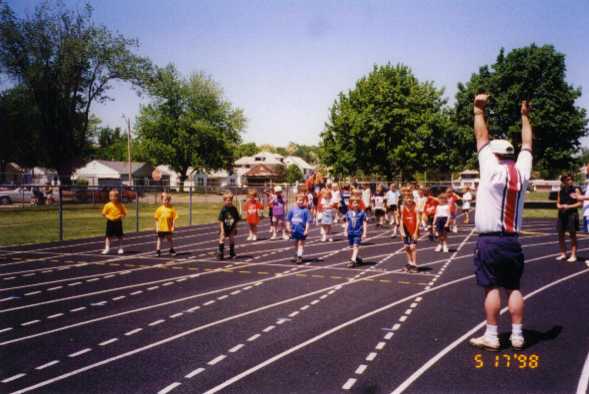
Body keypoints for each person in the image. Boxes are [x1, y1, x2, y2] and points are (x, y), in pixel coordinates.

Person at [468, 94, 533, 351]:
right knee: (514, 287)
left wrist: (478, 111)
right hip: (512, 240)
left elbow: (481, 137)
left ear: (493, 155)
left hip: (489, 240)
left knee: (490, 286)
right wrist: (525, 116)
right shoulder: (523, 171)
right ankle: (517, 335)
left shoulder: (490, 168)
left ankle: (493, 335)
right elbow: (527, 143)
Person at [556, 174, 581, 262]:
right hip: (561, 215)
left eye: (570, 179)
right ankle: (563, 254)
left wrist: (568, 206)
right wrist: (559, 206)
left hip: (572, 214)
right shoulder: (560, 191)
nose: (569, 181)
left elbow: (579, 203)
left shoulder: (575, 190)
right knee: (560, 234)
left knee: (572, 235)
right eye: (567, 179)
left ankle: (573, 255)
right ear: (563, 181)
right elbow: (558, 203)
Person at [286, 193, 311, 264]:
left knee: (301, 243)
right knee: (296, 243)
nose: (300, 202)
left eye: (302, 200)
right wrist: (288, 228)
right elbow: (288, 220)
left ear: (304, 201)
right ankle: (297, 254)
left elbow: (307, 222)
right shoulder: (292, 210)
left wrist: (306, 230)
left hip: (302, 231)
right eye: (299, 200)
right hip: (294, 230)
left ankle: (299, 256)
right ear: (296, 201)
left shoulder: (305, 211)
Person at [101, 189, 127, 255]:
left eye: (115, 196)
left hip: (118, 222)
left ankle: (120, 248)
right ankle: (107, 248)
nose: (113, 198)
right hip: (110, 222)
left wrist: (120, 216)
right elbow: (103, 214)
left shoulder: (120, 205)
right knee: (108, 236)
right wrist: (109, 217)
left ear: (117, 197)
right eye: (111, 196)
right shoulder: (107, 205)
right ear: (109, 197)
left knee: (120, 236)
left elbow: (124, 214)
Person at [345, 196, 368, 267]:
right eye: (354, 203)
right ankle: (357, 258)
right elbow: (347, 222)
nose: (356, 204)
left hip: (358, 232)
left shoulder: (362, 213)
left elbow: (364, 223)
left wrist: (364, 233)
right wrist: (345, 231)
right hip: (350, 232)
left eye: (358, 203)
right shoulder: (348, 213)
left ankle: (353, 261)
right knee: (351, 247)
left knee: (356, 246)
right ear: (351, 204)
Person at [217, 191, 240, 260]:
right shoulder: (223, 210)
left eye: (230, 200)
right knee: (222, 238)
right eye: (226, 200)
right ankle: (220, 253)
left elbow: (236, 219)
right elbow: (220, 220)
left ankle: (232, 253)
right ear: (224, 201)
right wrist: (222, 230)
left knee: (232, 239)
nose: (228, 202)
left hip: (231, 227)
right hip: (224, 227)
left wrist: (235, 228)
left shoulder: (234, 209)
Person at [400, 193, 419, 272]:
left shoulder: (415, 208)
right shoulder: (402, 208)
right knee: (407, 247)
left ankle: (414, 265)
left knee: (413, 247)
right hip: (405, 230)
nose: (409, 200)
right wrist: (401, 230)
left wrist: (415, 232)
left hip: (413, 230)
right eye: (407, 198)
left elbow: (418, 220)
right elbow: (401, 220)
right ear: (404, 199)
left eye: (410, 198)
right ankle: (409, 263)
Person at [154, 192, 177, 256]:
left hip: (168, 227)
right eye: (164, 200)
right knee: (159, 239)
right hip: (161, 227)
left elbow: (174, 218)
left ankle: (171, 249)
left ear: (169, 200)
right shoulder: (159, 209)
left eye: (167, 200)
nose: (166, 201)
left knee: (169, 239)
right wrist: (157, 227)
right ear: (162, 201)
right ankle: (158, 250)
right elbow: (156, 219)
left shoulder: (172, 209)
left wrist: (173, 226)